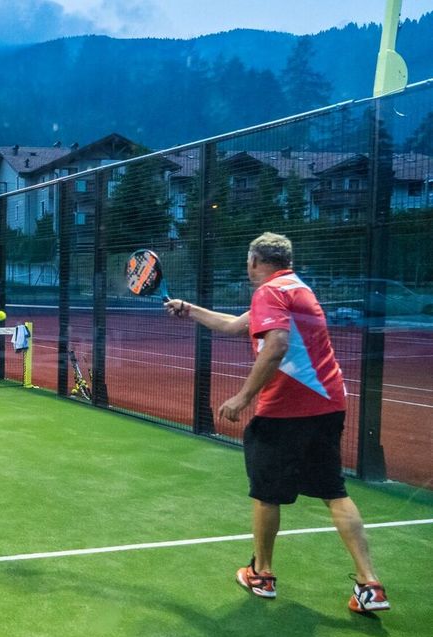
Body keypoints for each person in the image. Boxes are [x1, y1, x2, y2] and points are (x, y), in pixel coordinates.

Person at [164, 232, 388, 613]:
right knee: (334, 491)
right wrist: (190, 309)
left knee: (267, 493)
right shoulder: (298, 288)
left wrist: (243, 397)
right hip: (329, 404)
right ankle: (370, 585)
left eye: (248, 262)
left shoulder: (269, 292)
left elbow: (277, 345)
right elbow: (236, 325)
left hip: (286, 409)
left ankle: (261, 573)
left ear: (255, 261)